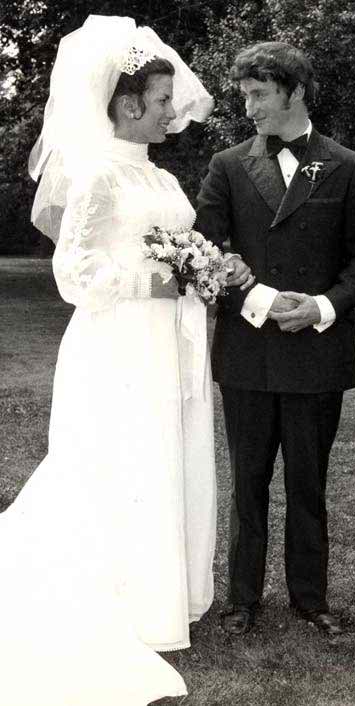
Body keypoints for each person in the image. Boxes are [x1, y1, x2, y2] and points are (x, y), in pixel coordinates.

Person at [0, 15, 217, 705]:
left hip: (170, 342)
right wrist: (149, 284)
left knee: (165, 454)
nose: (172, 111)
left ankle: (164, 594)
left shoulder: (164, 180)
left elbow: (182, 249)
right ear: (127, 105)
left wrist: (203, 269)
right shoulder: (97, 177)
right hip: (119, 341)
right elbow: (74, 274)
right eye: (161, 100)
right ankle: (119, 597)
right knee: (119, 457)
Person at [196, 41, 355, 637]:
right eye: (244, 96)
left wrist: (322, 306)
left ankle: (310, 599)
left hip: (317, 354)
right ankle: (241, 599)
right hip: (248, 352)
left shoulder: (348, 165)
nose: (249, 108)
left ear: (296, 92)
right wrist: (259, 300)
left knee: (308, 484)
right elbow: (205, 252)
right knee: (247, 482)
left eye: (260, 94)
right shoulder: (228, 165)